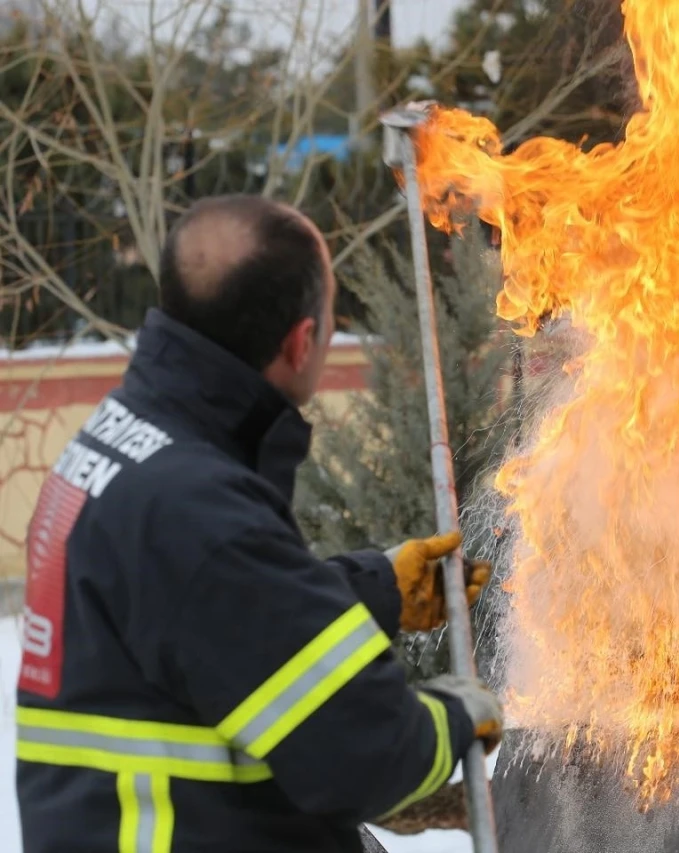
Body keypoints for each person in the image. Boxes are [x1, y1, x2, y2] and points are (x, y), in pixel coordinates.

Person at [15, 195, 503, 852]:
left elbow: (212, 616)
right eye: (332, 321)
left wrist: (374, 587)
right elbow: (365, 755)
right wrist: (457, 713)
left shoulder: (131, 437)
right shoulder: (199, 511)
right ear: (300, 342)